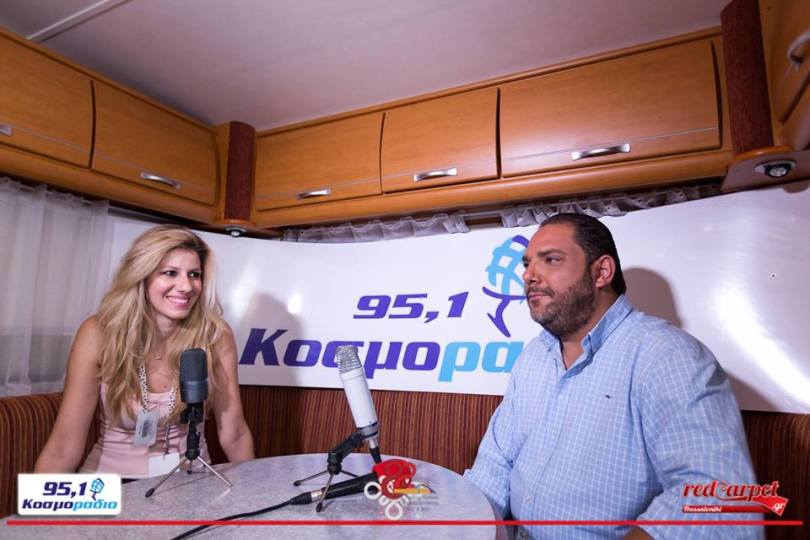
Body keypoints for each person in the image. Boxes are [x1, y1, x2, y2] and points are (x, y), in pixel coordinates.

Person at [465, 213, 760, 539]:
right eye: (527, 264)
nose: (529, 275)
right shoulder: (535, 355)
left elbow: (719, 500)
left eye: (550, 260)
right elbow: (495, 464)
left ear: (602, 272)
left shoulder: (668, 357)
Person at [35, 224, 254, 478]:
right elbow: (63, 447)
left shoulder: (215, 335)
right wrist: (40, 502)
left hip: (189, 482)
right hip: (108, 486)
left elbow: (234, 433)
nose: (186, 286)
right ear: (142, 275)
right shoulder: (98, 332)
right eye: (170, 273)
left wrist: (256, 494)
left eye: (194, 275)